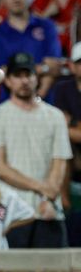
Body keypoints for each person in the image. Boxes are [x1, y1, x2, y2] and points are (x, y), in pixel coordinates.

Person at [0, 52, 72, 248]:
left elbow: (60, 162)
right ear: (8, 81)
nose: (24, 81)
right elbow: (0, 167)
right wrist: (42, 188)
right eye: (18, 76)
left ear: (36, 77)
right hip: (13, 213)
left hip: (49, 210)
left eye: (28, 75)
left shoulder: (54, 116)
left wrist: (49, 197)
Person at [0, 0, 63, 99]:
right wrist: (43, 68)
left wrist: (38, 98)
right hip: (10, 103)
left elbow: (55, 66)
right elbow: (2, 73)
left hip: (46, 100)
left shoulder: (46, 26)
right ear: (2, 0)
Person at [55, 42, 81, 246]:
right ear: (72, 66)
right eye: (79, 63)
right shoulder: (64, 88)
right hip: (73, 149)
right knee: (63, 146)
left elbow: (67, 123)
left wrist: (72, 124)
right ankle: (64, 203)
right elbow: (60, 125)